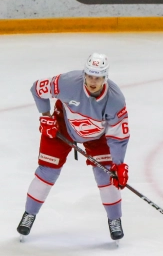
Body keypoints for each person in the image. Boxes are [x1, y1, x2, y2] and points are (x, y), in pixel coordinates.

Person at [18, 53, 129, 241]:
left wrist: (118, 165)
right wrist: (46, 116)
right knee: (48, 171)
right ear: (84, 74)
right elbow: (37, 89)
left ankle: (114, 219)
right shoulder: (68, 82)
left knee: (107, 175)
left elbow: (118, 137)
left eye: (98, 77)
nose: (93, 81)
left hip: (97, 135)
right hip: (62, 127)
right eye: (90, 76)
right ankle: (29, 214)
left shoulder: (115, 99)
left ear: (105, 77)